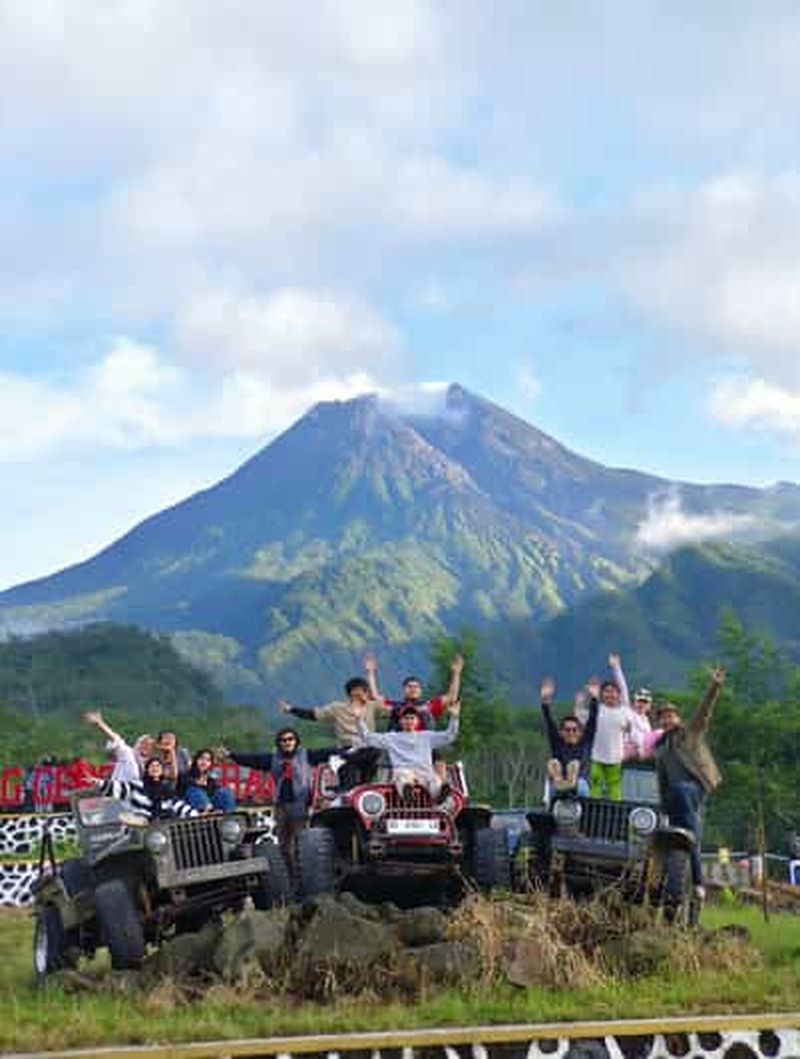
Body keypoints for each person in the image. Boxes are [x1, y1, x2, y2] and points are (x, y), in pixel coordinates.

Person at [218, 729, 342, 872]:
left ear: (296, 741)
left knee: (299, 843)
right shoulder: (273, 758)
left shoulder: (306, 755)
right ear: (279, 743)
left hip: (300, 804)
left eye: (290, 739)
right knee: (283, 845)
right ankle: (290, 875)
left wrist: (343, 748)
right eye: (284, 740)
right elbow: (252, 759)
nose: (287, 742)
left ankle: (303, 875)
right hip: (281, 805)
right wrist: (231, 755)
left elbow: (326, 753)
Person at [652, 667, 725, 899]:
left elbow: (703, 713)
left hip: (693, 788)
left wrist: (714, 686)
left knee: (684, 797)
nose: (667, 718)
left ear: (677, 718)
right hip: (674, 795)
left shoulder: (689, 734)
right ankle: (678, 885)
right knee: (680, 836)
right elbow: (662, 781)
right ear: (660, 722)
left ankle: (698, 881)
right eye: (663, 716)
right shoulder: (660, 749)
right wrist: (661, 806)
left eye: (671, 715)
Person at [278, 675, 382, 787]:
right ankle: (348, 780)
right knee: (348, 769)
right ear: (353, 693)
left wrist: (370, 674)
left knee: (374, 752)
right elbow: (315, 715)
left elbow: (396, 712)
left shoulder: (372, 707)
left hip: (366, 749)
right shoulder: (338, 708)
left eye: (366, 691)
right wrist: (291, 710)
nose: (366, 694)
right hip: (346, 747)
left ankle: (343, 759)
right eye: (363, 691)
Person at [353, 699, 460, 800]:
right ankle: (407, 793)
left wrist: (454, 717)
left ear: (417, 721)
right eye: (406, 718)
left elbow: (449, 736)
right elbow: (367, 737)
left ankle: (440, 795)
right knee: (402, 777)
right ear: (400, 721)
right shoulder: (392, 737)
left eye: (412, 718)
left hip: (425, 773)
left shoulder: (427, 736)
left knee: (435, 780)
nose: (409, 721)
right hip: (404, 771)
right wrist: (358, 719)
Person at [364, 651, 463, 731]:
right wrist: (370, 672)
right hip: (400, 745)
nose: (413, 689)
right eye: (409, 686)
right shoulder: (395, 705)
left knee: (426, 714)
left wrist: (456, 674)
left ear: (420, 690)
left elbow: (451, 698)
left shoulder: (429, 705)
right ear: (403, 689)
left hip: (422, 746)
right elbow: (374, 697)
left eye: (416, 687)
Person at [539, 676, 598, 797]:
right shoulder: (558, 743)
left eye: (574, 730)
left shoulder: (585, 742)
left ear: (580, 732)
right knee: (554, 767)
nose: (571, 732)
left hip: (580, 783)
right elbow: (549, 723)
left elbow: (592, 720)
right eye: (567, 730)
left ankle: (571, 780)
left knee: (580, 784)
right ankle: (560, 779)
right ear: (561, 732)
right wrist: (545, 702)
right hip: (558, 783)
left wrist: (594, 698)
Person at [589, 653, 635, 801]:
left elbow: (624, 688)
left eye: (613, 692)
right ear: (602, 695)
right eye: (607, 692)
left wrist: (616, 668)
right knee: (595, 786)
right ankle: (593, 811)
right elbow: (581, 716)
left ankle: (615, 816)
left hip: (615, 757)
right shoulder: (597, 709)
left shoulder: (624, 711)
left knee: (614, 789)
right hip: (595, 756)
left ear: (618, 695)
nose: (610, 694)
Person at [101, 758, 199, 819]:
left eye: (158, 766)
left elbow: (178, 805)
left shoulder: (167, 789)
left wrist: (195, 815)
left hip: (163, 826)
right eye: (152, 766)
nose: (155, 768)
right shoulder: (137, 785)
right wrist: (99, 783)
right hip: (143, 827)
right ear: (147, 770)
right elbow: (119, 788)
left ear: (162, 770)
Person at [83, 710, 154, 783]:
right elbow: (115, 738)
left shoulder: (150, 766)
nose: (146, 747)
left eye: (150, 745)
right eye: (144, 743)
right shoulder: (128, 754)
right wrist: (100, 723)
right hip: (116, 791)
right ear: (137, 744)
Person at [181, 748, 236, 813]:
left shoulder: (210, 779)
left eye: (208, 760)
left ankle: (228, 816)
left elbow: (214, 792)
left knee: (225, 792)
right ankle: (206, 813)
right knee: (196, 791)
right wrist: (197, 784)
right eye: (201, 758)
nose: (204, 762)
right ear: (196, 760)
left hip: (211, 804)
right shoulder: (186, 775)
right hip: (192, 805)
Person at [624, 687, 654, 761]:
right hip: (628, 753)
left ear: (649, 705)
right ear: (634, 702)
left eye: (645, 702)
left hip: (641, 756)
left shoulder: (646, 720)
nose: (642, 704)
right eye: (639, 701)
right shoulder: (629, 715)